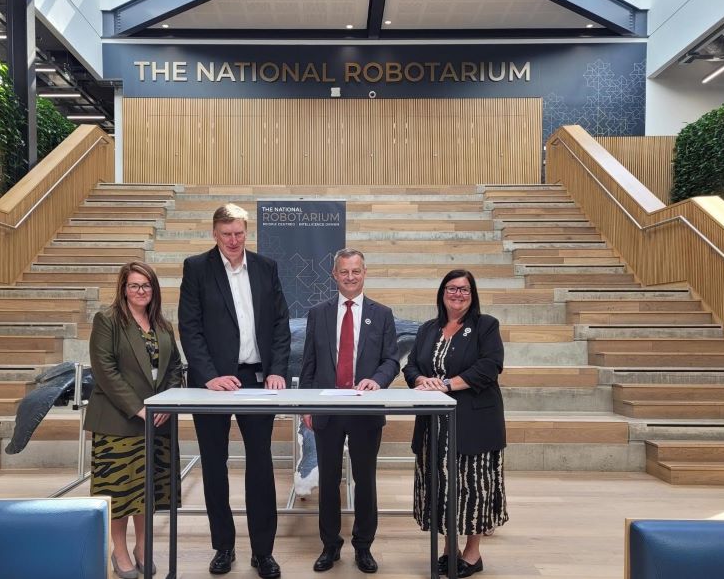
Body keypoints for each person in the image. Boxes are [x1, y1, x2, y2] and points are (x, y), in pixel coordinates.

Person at [178, 203, 291, 579]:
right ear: (214, 233)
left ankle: (263, 552)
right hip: (213, 385)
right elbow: (189, 327)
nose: (233, 240)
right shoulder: (196, 268)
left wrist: (276, 370)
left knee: (260, 463)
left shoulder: (265, 267)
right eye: (226, 234)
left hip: (257, 380)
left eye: (239, 233)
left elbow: (279, 324)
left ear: (247, 232)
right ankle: (223, 547)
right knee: (214, 463)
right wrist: (209, 376)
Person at [300, 248, 400, 574]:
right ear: (335, 275)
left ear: (364, 272)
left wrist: (377, 379)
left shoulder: (382, 314)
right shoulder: (318, 313)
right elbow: (309, 366)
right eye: (344, 271)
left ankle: (363, 547)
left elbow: (391, 361)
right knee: (328, 482)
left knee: (365, 480)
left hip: (365, 411)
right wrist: (306, 405)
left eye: (356, 271)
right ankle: (330, 546)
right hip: (327, 409)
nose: (350, 277)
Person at [404, 269, 508, 578]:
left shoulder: (485, 326)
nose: (457, 294)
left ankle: (473, 554)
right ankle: (450, 550)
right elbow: (410, 366)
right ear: (442, 293)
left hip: (474, 421)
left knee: (473, 487)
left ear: (472, 294)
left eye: (464, 289)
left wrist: (447, 384)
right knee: (442, 486)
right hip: (434, 426)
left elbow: (490, 366)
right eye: (452, 288)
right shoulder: (428, 328)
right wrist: (422, 380)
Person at [85, 261, 183, 579]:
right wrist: (139, 408)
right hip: (118, 421)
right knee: (119, 490)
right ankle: (120, 550)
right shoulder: (108, 321)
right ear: (124, 289)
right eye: (134, 285)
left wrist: (166, 403)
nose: (141, 291)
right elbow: (105, 370)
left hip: (157, 422)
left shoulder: (163, 326)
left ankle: (143, 546)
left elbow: (175, 370)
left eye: (146, 285)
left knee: (147, 490)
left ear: (154, 289)